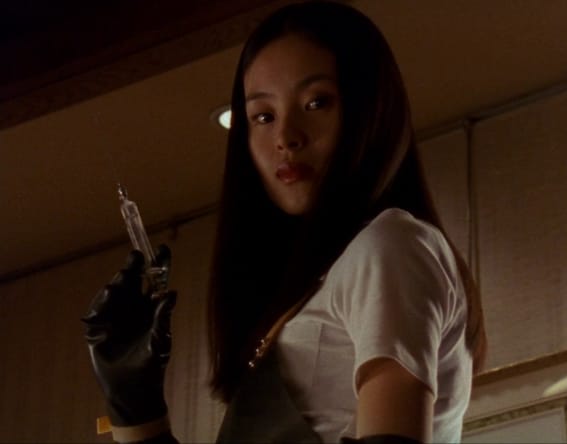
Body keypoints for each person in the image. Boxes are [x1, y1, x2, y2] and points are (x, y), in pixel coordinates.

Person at [83, 1, 486, 443]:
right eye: (263, 116)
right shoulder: (318, 286)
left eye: (317, 102)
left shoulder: (390, 243)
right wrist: (135, 404)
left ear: (372, 108)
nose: (286, 137)